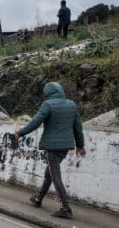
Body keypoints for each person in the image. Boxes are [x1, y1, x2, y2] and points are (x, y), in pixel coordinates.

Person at [14, 82, 85, 219]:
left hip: (52, 147)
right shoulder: (71, 104)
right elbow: (78, 127)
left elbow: (36, 121)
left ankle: (66, 208)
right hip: (65, 146)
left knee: (55, 175)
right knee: (50, 172)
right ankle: (38, 199)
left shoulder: (48, 105)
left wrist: (20, 133)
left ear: (47, 93)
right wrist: (80, 145)